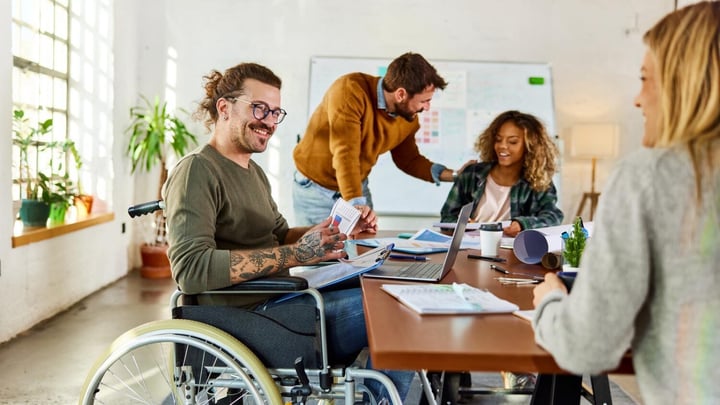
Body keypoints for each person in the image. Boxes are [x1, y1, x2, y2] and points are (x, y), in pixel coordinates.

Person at [162, 62, 414, 402]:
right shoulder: (197, 171)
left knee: (391, 287)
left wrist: (335, 232)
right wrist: (298, 254)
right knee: (396, 312)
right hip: (250, 319)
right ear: (224, 107)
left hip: (283, 302)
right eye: (259, 108)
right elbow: (192, 271)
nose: (268, 121)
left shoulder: (253, 173)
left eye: (275, 112)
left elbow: (280, 235)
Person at [532, 2, 720, 404]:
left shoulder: (649, 176)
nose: (637, 99)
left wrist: (549, 300)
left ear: (684, 83)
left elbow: (586, 346)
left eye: (645, 79)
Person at [293, 51, 475, 225]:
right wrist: (356, 204)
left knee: (362, 253)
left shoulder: (407, 118)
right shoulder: (350, 91)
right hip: (316, 189)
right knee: (318, 253)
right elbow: (345, 153)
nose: (427, 107)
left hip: (357, 185)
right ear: (401, 94)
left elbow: (410, 160)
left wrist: (455, 175)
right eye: (424, 101)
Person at [440, 110, 563, 238]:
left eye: (513, 142)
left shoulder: (539, 181)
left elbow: (553, 217)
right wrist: (463, 224)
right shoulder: (471, 174)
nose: (502, 146)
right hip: (469, 249)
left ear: (530, 146)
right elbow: (447, 218)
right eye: (498, 140)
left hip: (513, 253)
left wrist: (523, 224)